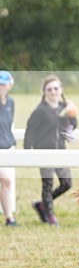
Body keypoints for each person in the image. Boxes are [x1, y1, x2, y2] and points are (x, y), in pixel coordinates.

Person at [23, 75, 78, 226]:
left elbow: (73, 124)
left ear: (61, 89)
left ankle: (41, 205)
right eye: (49, 89)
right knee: (48, 184)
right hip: (44, 151)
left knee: (66, 183)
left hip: (60, 150)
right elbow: (30, 131)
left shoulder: (63, 106)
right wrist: (27, 151)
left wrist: (72, 113)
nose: (53, 91)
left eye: (56, 88)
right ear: (44, 92)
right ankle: (50, 215)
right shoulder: (40, 110)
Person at [1, 70, 17, 226]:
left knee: (6, 182)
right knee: (5, 179)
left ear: (9, 86)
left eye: (3, 84)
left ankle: (9, 218)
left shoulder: (10, 103)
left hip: (6, 148)